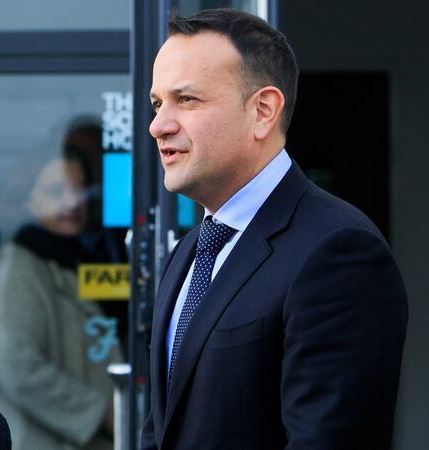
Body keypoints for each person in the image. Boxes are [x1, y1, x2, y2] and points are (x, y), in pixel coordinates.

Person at [142, 9, 407, 450]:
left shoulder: (338, 252)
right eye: (157, 103)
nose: (158, 125)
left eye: (186, 100)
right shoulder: (191, 251)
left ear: (263, 110)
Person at [0, 155, 121, 450]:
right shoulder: (19, 263)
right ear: (26, 201)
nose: (73, 201)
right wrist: (99, 412)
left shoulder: (71, 258)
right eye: (57, 192)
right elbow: (14, 363)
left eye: (80, 190)